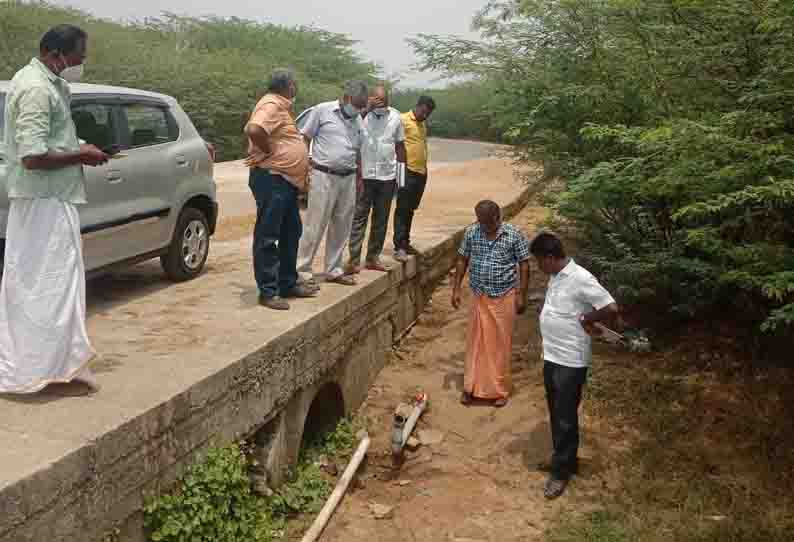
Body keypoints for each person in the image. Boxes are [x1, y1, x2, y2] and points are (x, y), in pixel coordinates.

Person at [0, 25, 110, 395]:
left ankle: (58, 364)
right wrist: (81, 155)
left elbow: (51, 139)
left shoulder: (52, 85)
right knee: (40, 289)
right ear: (55, 52)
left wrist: (80, 145)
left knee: (61, 285)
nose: (82, 61)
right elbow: (31, 156)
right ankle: (30, 371)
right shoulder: (34, 89)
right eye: (79, 54)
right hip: (42, 202)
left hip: (54, 198)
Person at [530, 232, 620, 500]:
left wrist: (587, 317)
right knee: (556, 412)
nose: (538, 267)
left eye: (539, 261)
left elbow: (611, 307)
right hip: (552, 356)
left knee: (565, 416)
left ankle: (560, 473)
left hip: (571, 360)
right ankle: (564, 459)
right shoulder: (556, 276)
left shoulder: (581, 278)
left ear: (549, 258)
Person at [244, 69, 317, 311]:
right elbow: (254, 129)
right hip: (272, 179)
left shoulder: (281, 107)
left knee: (290, 231)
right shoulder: (271, 104)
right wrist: (267, 152)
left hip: (285, 181)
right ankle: (268, 291)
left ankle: (287, 283)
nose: (296, 88)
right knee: (268, 235)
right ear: (288, 86)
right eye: (295, 84)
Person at [451, 201, 530, 408]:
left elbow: (524, 263)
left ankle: (498, 390)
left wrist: (522, 294)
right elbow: (462, 259)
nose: (483, 226)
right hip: (479, 294)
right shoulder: (472, 233)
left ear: (498, 217)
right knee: (475, 344)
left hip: (504, 296)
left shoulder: (513, 234)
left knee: (499, 346)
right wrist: (456, 289)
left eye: (487, 222)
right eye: (481, 221)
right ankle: (471, 388)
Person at [296, 80, 368, 287]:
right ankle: (302, 271)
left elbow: (357, 151)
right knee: (315, 225)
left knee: (342, 226)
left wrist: (360, 177)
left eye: (362, 105)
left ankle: (333, 270)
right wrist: (304, 168)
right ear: (346, 98)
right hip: (323, 176)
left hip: (349, 177)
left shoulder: (357, 120)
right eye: (357, 104)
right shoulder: (322, 111)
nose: (360, 109)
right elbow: (305, 138)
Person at [347, 84, 406, 274]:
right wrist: (367, 109)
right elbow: (350, 124)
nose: (381, 103)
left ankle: (373, 257)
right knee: (359, 217)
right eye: (377, 100)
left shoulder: (396, 117)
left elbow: (400, 147)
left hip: (387, 176)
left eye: (384, 100)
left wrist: (401, 178)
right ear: (370, 99)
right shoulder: (360, 116)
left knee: (381, 219)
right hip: (365, 175)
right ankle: (354, 260)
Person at [393, 95, 435, 261]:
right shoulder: (402, 120)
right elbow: (394, 144)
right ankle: (399, 247)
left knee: (410, 209)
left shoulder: (423, 124)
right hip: (406, 171)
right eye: (424, 111)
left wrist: (425, 169)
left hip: (420, 172)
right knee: (402, 208)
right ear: (418, 106)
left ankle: (405, 242)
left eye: (428, 114)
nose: (425, 115)